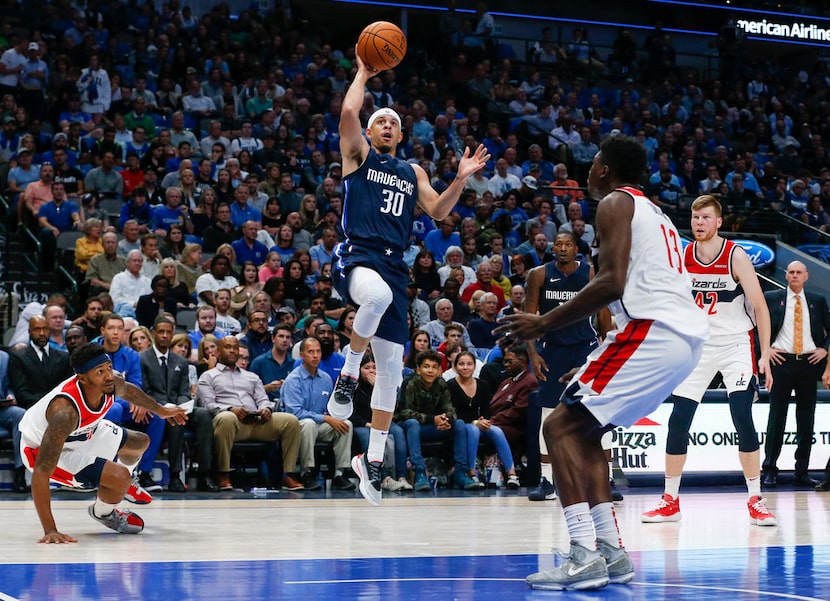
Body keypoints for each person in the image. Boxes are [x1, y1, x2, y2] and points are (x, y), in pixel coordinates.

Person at [497, 135, 709, 591]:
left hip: (654, 332)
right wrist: (601, 356)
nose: (588, 171)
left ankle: (581, 555)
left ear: (606, 169)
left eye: (593, 163)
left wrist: (543, 323)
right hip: (679, 341)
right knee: (586, 428)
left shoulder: (615, 202)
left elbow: (612, 283)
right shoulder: (658, 215)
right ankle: (612, 553)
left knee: (556, 428)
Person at [326, 45, 489, 507]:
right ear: (370, 130)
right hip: (358, 255)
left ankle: (371, 462)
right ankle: (348, 373)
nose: (386, 125)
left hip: (396, 268)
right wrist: (361, 70)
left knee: (393, 375)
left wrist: (459, 178)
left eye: (394, 123)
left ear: (401, 134)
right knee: (372, 299)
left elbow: (437, 210)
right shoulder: (358, 156)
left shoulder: (410, 169)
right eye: (380, 120)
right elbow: (349, 111)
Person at [640, 195, 776, 526]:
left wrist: (766, 354)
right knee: (678, 419)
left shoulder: (735, 256)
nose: (699, 223)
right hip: (698, 346)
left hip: (735, 344)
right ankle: (670, 500)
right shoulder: (684, 256)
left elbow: (760, 306)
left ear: (718, 222)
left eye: (705, 218)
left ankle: (755, 499)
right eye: (695, 217)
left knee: (742, 415)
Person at [18, 342, 187, 542]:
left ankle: (121, 488)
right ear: (82, 379)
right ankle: (104, 512)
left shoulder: (110, 382)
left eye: (108, 368)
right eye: (100, 372)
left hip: (82, 433)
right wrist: (50, 530)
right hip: (40, 450)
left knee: (140, 442)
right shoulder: (65, 412)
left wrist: (161, 410)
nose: (108, 375)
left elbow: (129, 391)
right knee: (120, 476)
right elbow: (41, 472)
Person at [524, 231, 611, 503]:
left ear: (577, 248)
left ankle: (607, 479)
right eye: (558, 244)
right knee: (547, 413)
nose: (562, 248)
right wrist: (533, 354)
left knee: (599, 410)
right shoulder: (538, 275)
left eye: (568, 244)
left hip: (585, 349)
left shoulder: (590, 274)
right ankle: (548, 481)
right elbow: (529, 316)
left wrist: (606, 348)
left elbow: (603, 313)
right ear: (553, 248)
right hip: (552, 350)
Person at [197, 336, 304, 491]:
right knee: (226, 418)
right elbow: (207, 404)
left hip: (256, 422)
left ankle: (288, 475)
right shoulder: (208, 376)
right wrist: (230, 409)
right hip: (231, 424)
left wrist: (266, 409)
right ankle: (223, 475)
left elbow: (262, 399)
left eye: (235, 347)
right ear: (219, 352)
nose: (232, 351)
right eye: (228, 347)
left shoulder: (251, 377)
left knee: (290, 421)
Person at [762, 261, 830, 489]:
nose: (794, 275)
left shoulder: (817, 301)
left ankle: (802, 471)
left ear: (806, 276)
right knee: (776, 418)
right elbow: (755, 326)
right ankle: (769, 469)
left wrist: (824, 349)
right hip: (782, 362)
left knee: (806, 419)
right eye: (791, 272)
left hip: (810, 364)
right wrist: (766, 349)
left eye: (799, 272)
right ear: (786, 275)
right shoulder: (772, 298)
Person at [139, 316, 218, 493]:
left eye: (168, 332)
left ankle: (205, 474)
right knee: (175, 419)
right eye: (161, 332)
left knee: (204, 414)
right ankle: (175, 476)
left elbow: (183, 392)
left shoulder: (180, 361)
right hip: (155, 410)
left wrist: (181, 405)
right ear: (153, 334)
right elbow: (144, 391)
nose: (165, 335)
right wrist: (165, 407)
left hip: (177, 408)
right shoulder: (142, 358)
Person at [395, 349, 480, 492]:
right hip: (412, 428)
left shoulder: (441, 384)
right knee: (412, 423)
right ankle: (420, 473)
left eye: (434, 367)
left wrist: (445, 420)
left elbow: (450, 409)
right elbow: (404, 412)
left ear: (440, 370)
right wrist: (432, 419)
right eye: (426, 366)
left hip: (435, 426)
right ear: (418, 369)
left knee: (458, 424)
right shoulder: (410, 383)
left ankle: (460, 472)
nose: (430, 371)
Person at [282, 337, 356, 491]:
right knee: (308, 424)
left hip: (321, 424)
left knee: (345, 425)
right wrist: (326, 418)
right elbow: (295, 413)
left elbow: (330, 408)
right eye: (310, 352)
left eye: (318, 352)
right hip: (298, 426)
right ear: (302, 355)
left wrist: (332, 416)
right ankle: (306, 472)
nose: (315, 355)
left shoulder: (327, 379)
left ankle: (339, 474)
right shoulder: (293, 380)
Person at [448, 350, 520, 489]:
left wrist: (484, 421)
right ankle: (472, 473)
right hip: (462, 425)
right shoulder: (450, 385)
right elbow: (454, 413)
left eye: (469, 364)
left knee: (497, 431)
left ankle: (512, 474)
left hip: (479, 422)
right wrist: (476, 422)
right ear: (456, 367)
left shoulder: (483, 385)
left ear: (475, 366)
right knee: (473, 430)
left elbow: (487, 411)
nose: (465, 367)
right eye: (461, 364)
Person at [9, 315, 73, 410]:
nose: (42, 333)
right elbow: (21, 391)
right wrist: (45, 406)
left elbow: (68, 387)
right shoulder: (18, 357)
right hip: (31, 409)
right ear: (29, 332)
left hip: (61, 408)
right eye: (37, 329)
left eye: (45, 329)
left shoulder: (64, 357)